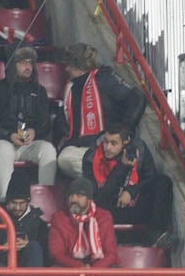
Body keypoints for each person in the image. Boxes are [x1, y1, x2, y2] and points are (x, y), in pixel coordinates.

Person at [58, 43, 146, 180]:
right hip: (82, 149)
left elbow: (137, 98)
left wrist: (124, 131)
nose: (66, 69)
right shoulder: (71, 87)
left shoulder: (104, 78)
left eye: (70, 65)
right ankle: (101, 179)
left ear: (81, 68)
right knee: (64, 158)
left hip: (106, 146)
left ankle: (103, 179)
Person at [85, 125, 175, 240]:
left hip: (134, 204)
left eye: (113, 143)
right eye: (106, 142)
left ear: (125, 143)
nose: (107, 147)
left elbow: (149, 178)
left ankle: (157, 236)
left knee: (163, 181)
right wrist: (122, 167)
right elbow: (100, 197)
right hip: (110, 210)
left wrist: (131, 191)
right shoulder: (91, 158)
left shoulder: (139, 150)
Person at [0, 46, 61, 196]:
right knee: (2, 150)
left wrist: (35, 132)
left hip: (30, 143)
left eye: (30, 63)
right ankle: (6, 199)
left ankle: (46, 197)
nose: (28, 67)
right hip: (5, 141)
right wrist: (8, 135)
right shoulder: (0, 88)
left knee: (48, 150)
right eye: (22, 62)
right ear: (13, 64)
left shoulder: (39, 90)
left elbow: (45, 123)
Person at [48, 177, 127, 276]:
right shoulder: (59, 218)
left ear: (89, 200)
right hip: (71, 267)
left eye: (79, 196)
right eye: (71, 196)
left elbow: (111, 253)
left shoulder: (103, 216)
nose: (74, 199)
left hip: (99, 266)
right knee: (56, 275)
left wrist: (94, 270)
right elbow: (56, 253)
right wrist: (80, 268)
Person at [0, 173, 48, 276]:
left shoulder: (39, 223)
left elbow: (47, 255)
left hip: (27, 271)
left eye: (21, 203)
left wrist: (28, 244)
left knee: (34, 246)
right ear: (7, 202)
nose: (17, 207)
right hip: (3, 269)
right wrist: (4, 247)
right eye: (13, 203)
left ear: (28, 202)